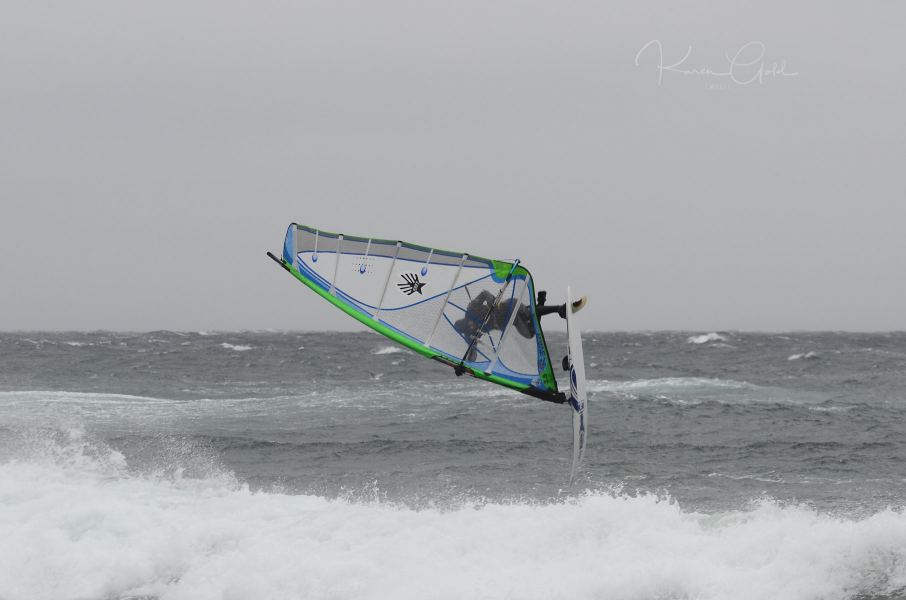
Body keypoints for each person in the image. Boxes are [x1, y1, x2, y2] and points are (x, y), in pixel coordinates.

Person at [452, 289, 586, 364]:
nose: (472, 324)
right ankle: (542, 301)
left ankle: (561, 309)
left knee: (527, 314)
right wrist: (464, 365)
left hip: (510, 305)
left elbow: (484, 293)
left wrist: (492, 300)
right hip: (512, 321)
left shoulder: (472, 308)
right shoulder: (473, 334)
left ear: (466, 318)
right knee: (530, 333)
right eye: (470, 327)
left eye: (470, 322)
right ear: (467, 330)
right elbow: (472, 355)